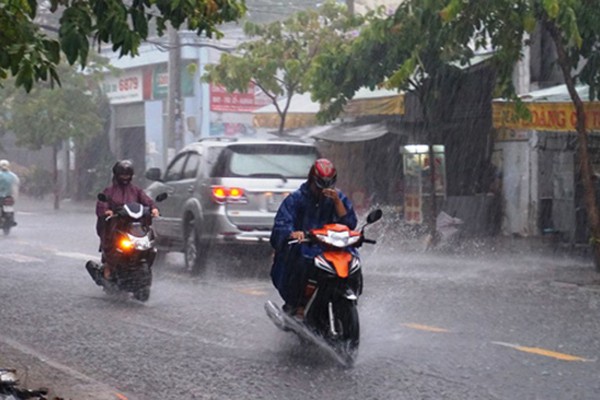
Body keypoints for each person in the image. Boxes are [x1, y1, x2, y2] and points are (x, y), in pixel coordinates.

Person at [270, 158, 357, 318]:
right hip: (308, 247)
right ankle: (299, 305)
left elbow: (350, 224)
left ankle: (347, 297)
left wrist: (337, 202)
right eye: (320, 185)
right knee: (302, 261)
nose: (323, 190)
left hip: (332, 248)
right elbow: (281, 226)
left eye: (328, 185)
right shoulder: (295, 199)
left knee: (353, 259)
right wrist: (293, 234)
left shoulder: (338, 199)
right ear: (311, 180)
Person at [96, 160, 159, 280]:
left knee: (149, 241)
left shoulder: (136, 191)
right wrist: (107, 211)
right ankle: (109, 267)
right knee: (111, 245)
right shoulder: (109, 191)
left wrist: (154, 208)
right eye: (122, 174)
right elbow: (102, 203)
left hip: (134, 227)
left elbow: (147, 201)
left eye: (127, 175)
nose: (125, 177)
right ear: (116, 175)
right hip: (117, 226)